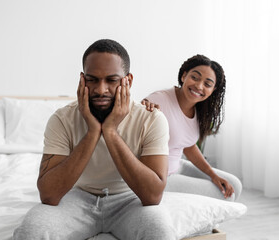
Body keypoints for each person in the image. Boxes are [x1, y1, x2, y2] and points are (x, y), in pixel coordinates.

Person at [13, 39, 176, 240]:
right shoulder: (62, 119)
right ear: (82, 79)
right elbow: (49, 195)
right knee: (31, 232)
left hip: (129, 200)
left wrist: (111, 132)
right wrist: (92, 132)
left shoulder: (151, 119)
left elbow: (152, 196)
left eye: (111, 80)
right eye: (92, 79)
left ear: (128, 80)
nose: (100, 90)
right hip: (76, 197)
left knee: (160, 233)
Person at [142, 54, 242, 201]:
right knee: (225, 194)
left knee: (235, 185)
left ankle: (208, 224)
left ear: (213, 90)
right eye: (195, 77)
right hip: (160, 176)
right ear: (184, 76)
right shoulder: (158, 100)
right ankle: (206, 225)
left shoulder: (198, 110)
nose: (199, 86)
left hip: (177, 165)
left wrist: (213, 175)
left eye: (207, 84)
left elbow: (188, 145)